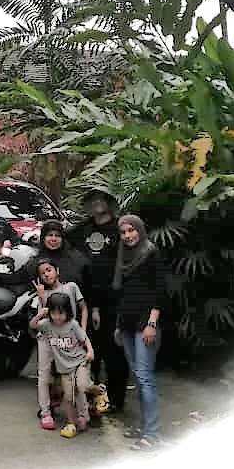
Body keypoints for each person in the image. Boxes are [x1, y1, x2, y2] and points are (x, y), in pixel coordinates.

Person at [67, 189, 128, 414]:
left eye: (102, 200)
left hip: (114, 300)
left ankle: (115, 399)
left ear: (109, 203)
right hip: (87, 300)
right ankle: (92, 398)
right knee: (91, 351)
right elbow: (59, 241)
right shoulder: (83, 230)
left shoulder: (120, 229)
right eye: (93, 201)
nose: (97, 204)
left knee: (115, 352)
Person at [112, 214, 166, 451]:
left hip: (146, 324)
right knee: (138, 376)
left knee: (145, 377)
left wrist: (152, 323)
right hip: (127, 322)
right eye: (123, 233)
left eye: (131, 231)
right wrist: (118, 325)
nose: (128, 236)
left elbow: (160, 290)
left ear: (140, 230)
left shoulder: (151, 253)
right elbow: (122, 294)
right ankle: (145, 426)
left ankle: (152, 433)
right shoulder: (124, 257)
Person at [29, 291, 95, 439]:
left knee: (82, 387)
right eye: (54, 313)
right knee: (69, 396)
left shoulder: (73, 325)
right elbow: (33, 325)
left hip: (79, 362)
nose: (57, 317)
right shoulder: (47, 324)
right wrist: (41, 314)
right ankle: (73, 422)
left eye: (61, 313)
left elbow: (84, 339)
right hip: (64, 368)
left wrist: (90, 351)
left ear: (68, 312)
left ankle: (94, 399)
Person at [31, 258, 88, 425]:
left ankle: (83, 413)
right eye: (42, 273)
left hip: (70, 337)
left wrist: (82, 331)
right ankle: (45, 412)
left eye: (48, 270)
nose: (46, 274)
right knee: (44, 374)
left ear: (57, 270)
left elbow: (83, 308)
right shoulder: (42, 294)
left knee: (75, 373)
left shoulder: (71, 287)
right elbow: (41, 320)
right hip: (48, 337)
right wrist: (41, 298)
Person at [36, 220, 89, 293]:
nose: (53, 239)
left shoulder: (76, 258)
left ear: (62, 239)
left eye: (57, 236)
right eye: (50, 235)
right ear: (43, 238)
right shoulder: (37, 260)